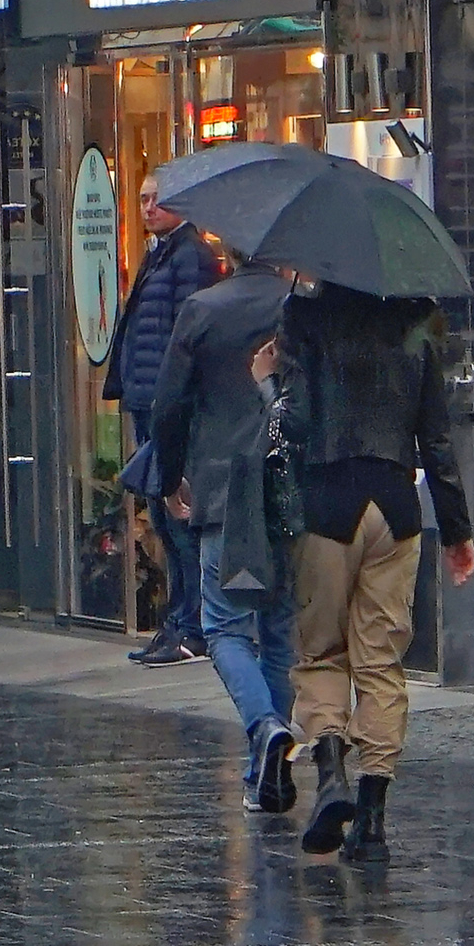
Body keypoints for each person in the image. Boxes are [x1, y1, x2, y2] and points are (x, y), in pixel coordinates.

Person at [281, 275, 468, 863]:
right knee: (381, 661)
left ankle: (331, 774)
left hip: (328, 503)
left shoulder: (305, 316)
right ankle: (373, 820)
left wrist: (267, 380)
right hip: (395, 505)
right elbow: (436, 439)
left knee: (321, 653)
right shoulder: (416, 321)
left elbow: (296, 423)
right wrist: (458, 531)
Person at [151, 254, 305, 818]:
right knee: (280, 626)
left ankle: (265, 729)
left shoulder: (202, 310)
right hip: (286, 491)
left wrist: (169, 478)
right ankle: (267, 772)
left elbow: (169, 404)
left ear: (231, 251)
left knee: (224, 626)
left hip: (221, 491)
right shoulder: (298, 307)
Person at [108, 196, 220, 665]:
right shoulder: (160, 252)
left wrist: (171, 399)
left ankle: (191, 626)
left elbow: (185, 334)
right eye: (144, 199)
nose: (147, 207)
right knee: (162, 516)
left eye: (158, 199)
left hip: (166, 403)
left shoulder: (189, 255)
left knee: (177, 518)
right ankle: (178, 621)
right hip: (148, 398)